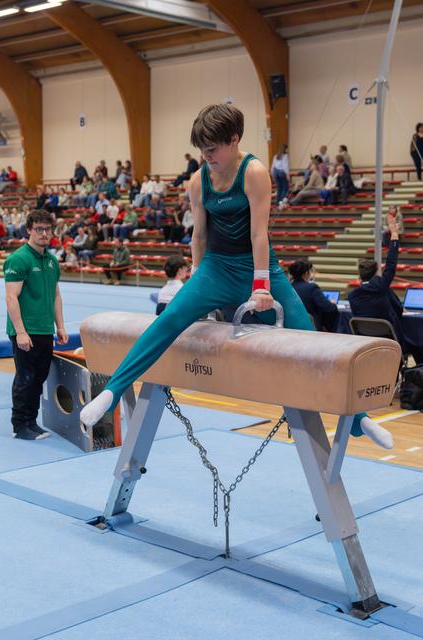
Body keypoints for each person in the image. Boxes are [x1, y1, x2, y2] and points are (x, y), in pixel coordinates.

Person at [80, 102, 394, 450]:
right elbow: (199, 235)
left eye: (212, 149)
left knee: (309, 336)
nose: (206, 155)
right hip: (215, 268)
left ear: (234, 140)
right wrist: (197, 280)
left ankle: (359, 420)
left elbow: (260, 234)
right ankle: (112, 391)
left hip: (259, 267)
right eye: (202, 149)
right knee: (168, 322)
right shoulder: (200, 180)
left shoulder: (254, 172)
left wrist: (261, 287)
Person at [3, 210, 68, 440]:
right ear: (29, 230)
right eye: (39, 229)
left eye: (47, 229)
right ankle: (19, 425)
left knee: (39, 378)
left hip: (44, 330)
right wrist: (20, 332)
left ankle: (32, 420)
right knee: (26, 377)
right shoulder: (19, 259)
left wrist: (60, 325)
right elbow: (11, 297)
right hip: (25, 331)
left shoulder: (51, 260)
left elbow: (56, 295)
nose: (43, 233)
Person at [349, 215, 423, 365]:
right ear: (376, 273)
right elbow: (391, 263)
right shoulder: (380, 287)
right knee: (417, 342)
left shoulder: (352, 296)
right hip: (391, 342)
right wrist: (394, 235)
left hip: (367, 345)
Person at [288, 259, 339, 332]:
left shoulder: (289, 287)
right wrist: (332, 304)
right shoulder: (312, 287)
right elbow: (329, 308)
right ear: (306, 273)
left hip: (291, 326)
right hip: (310, 327)